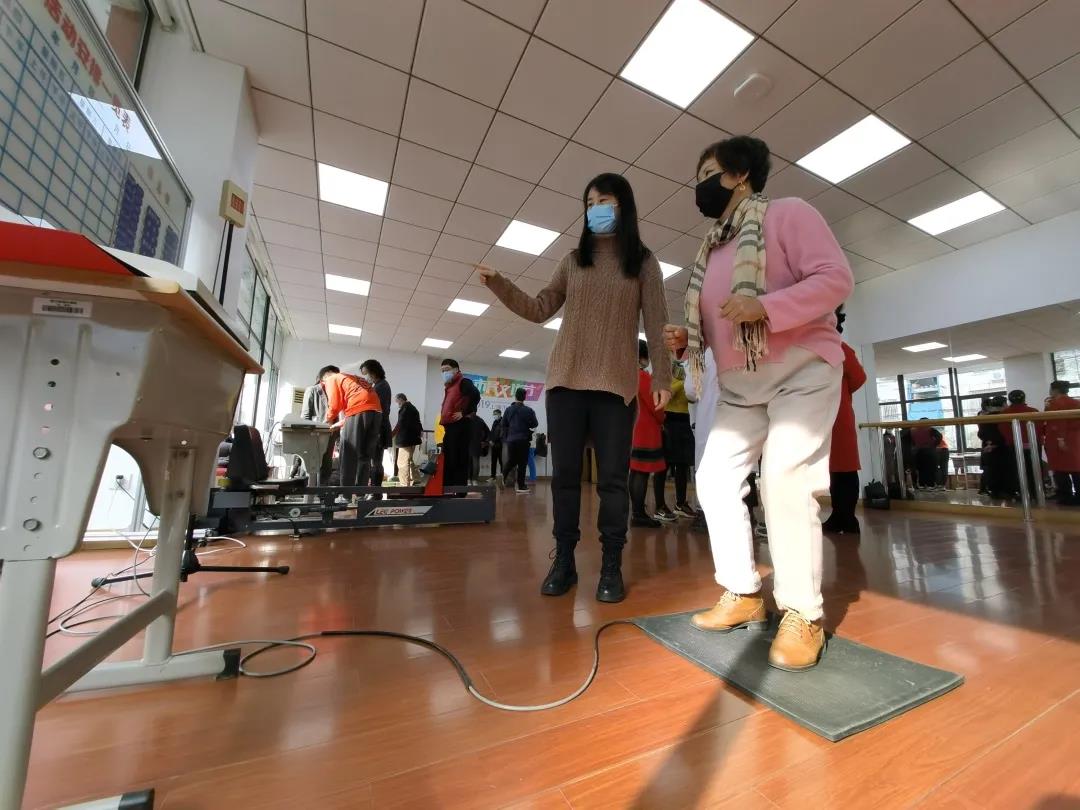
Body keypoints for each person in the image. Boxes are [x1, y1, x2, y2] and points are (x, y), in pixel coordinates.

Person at [663, 134, 853, 671]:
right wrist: (689, 338)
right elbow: (722, 319)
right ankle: (743, 592)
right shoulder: (711, 248)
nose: (700, 185)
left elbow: (836, 279)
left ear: (740, 174)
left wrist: (765, 306)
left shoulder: (787, 214)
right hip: (741, 384)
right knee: (713, 479)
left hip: (801, 368)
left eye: (709, 172)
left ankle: (802, 612)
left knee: (786, 477)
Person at [479, 172, 671, 604]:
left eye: (604, 200)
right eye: (589, 203)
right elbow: (540, 307)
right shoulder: (572, 260)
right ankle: (564, 560)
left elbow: (657, 323)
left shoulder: (642, 262)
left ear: (623, 205)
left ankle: (611, 564)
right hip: (566, 382)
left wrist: (662, 376)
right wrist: (500, 283)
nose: (595, 209)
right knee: (565, 478)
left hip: (616, 387)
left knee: (613, 482)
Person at [822, 308, 866, 535]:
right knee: (834, 469)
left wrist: (842, 394)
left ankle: (847, 517)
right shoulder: (835, 348)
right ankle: (839, 515)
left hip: (839, 417)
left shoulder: (841, 348)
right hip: (827, 416)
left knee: (844, 469)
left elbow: (859, 378)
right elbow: (858, 379)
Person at [321, 368, 383, 490]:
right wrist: (337, 424)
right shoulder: (354, 379)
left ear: (324, 379)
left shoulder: (332, 378)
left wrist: (326, 422)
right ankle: (361, 493)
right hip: (376, 412)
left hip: (359, 409)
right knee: (365, 455)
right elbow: (363, 410)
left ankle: (346, 494)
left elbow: (334, 404)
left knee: (348, 453)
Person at [629, 340, 667, 527]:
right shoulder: (642, 376)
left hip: (631, 428)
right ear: (642, 357)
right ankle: (639, 514)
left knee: (635, 471)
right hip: (646, 430)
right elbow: (656, 405)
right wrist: (663, 417)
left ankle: (636, 510)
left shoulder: (625, 376)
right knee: (642, 472)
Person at [653, 359, 697, 521]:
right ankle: (659, 506)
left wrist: (689, 381)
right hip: (669, 422)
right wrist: (682, 381)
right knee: (663, 466)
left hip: (683, 421)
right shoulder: (667, 380)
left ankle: (681, 503)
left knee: (682, 465)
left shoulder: (685, 380)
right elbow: (668, 395)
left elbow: (693, 397)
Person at [439, 359, 480, 487]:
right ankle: (448, 486)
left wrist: (464, 412)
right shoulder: (450, 386)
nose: (444, 373)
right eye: (442, 371)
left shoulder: (464, 382)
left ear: (456, 369)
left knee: (459, 457)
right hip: (450, 426)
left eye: (447, 369)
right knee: (449, 457)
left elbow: (475, 395)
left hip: (460, 425)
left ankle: (459, 489)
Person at [301, 364, 338, 485]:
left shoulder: (335, 392)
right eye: (332, 375)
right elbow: (305, 415)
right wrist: (307, 434)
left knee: (327, 464)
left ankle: (322, 491)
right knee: (313, 464)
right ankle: (310, 491)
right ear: (323, 376)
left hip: (330, 435)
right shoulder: (312, 390)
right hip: (314, 434)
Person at [1044, 381, 1079, 506]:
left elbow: (1057, 422)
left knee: (1060, 470)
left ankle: (1065, 496)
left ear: (1054, 390)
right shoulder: (1076, 402)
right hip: (1075, 440)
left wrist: (1060, 439)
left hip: (1057, 440)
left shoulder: (1054, 404)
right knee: (1076, 468)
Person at [1001, 389, 1041, 498]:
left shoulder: (1005, 414)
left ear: (1010, 400)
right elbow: (1039, 429)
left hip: (1014, 446)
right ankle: (1036, 492)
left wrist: (1013, 442)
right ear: (1024, 398)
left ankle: (1021, 493)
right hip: (1033, 445)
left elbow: (1004, 430)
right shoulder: (1033, 411)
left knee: (1017, 470)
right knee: (1035, 469)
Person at [360, 359, 391, 489]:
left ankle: (375, 490)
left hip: (378, 429)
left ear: (374, 372)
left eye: (366, 373)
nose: (365, 377)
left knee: (376, 462)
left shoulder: (381, 386)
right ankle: (374, 490)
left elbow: (379, 411)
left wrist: (376, 431)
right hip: (377, 428)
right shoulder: (378, 386)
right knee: (375, 461)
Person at [502, 388, 539, 493]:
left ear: (515, 396)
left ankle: (503, 475)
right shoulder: (529, 410)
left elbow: (503, 424)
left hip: (511, 439)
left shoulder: (508, 409)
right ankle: (521, 486)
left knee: (512, 460)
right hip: (523, 439)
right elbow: (535, 424)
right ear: (524, 397)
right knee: (522, 462)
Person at [978, 395, 1011, 499]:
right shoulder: (1005, 417)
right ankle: (1006, 492)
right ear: (1004, 404)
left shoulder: (985, 418)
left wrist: (989, 443)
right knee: (1005, 470)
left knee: (992, 471)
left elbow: (980, 434)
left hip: (989, 448)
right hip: (1003, 447)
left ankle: (994, 492)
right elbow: (1007, 433)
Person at [393, 392, 423, 487]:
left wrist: (392, 434)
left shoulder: (405, 409)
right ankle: (416, 479)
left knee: (402, 462)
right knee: (409, 460)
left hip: (406, 440)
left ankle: (404, 484)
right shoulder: (412, 408)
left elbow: (400, 423)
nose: (397, 404)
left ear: (401, 399)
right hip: (413, 438)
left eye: (397, 401)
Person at [468, 413, 490, 486]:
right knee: (475, 463)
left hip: (468, 444)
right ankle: (474, 480)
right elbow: (488, 432)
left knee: (469, 463)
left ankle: (469, 479)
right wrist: (485, 441)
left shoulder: (465, 419)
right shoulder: (480, 420)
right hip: (476, 445)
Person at [489, 408, 504, 482]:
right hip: (494, 445)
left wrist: (494, 441)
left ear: (499, 414)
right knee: (493, 461)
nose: (494, 415)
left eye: (496, 414)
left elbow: (501, 434)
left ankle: (503, 476)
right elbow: (492, 432)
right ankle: (493, 477)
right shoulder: (495, 422)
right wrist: (490, 440)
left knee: (501, 461)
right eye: (494, 414)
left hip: (500, 445)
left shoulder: (503, 421)